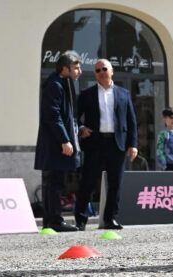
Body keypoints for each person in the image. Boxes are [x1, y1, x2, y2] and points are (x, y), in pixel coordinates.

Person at [74, 58, 138, 231]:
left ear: (112, 71)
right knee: (87, 182)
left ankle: (110, 219)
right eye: (97, 70)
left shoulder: (123, 94)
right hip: (95, 143)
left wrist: (133, 144)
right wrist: (80, 128)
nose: (101, 72)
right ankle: (80, 220)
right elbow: (74, 116)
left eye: (104, 69)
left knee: (115, 183)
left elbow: (131, 122)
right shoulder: (87, 94)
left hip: (117, 144)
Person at [34, 50, 82, 232]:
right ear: (65, 68)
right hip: (55, 145)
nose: (79, 71)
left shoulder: (62, 83)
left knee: (55, 182)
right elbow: (53, 116)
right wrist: (64, 140)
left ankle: (52, 220)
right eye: (76, 68)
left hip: (58, 143)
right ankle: (54, 221)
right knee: (54, 183)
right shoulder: (55, 85)